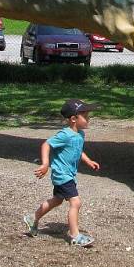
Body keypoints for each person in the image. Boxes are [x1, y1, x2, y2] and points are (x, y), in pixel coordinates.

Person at [23, 99, 101, 246]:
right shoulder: (65, 134)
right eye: (85, 116)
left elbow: (78, 150)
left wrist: (88, 161)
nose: (88, 119)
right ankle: (75, 235)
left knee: (57, 200)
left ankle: (33, 218)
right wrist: (46, 164)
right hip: (62, 174)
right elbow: (46, 144)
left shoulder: (80, 134)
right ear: (73, 119)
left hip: (68, 174)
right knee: (76, 202)